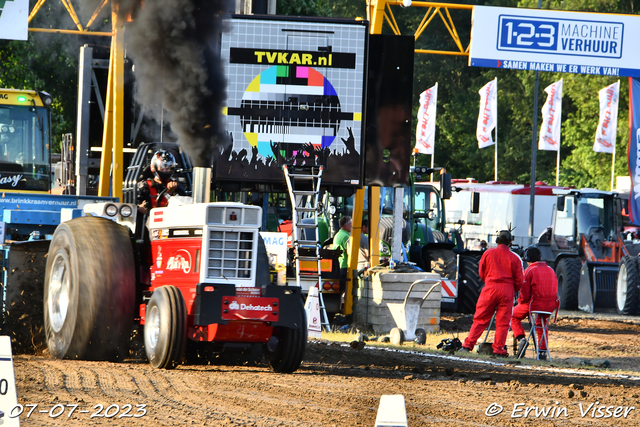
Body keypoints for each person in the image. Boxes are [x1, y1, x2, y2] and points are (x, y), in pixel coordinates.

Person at [459, 230, 524, 357]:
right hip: (507, 291)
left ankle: (467, 346)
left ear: (497, 240)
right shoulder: (515, 258)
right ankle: (498, 349)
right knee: (503, 322)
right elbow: (519, 280)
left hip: (489, 288)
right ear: (510, 242)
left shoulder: (488, 253)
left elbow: (481, 272)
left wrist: (489, 282)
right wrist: (511, 289)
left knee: (480, 319)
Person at [511, 246, 559, 360]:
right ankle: (542, 351)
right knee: (541, 323)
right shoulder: (551, 269)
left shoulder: (529, 271)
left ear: (527, 259)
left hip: (534, 305)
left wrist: (518, 302)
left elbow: (524, 296)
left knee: (511, 315)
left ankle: (521, 338)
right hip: (551, 306)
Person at [137, 150, 186, 214]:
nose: (165, 170)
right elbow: (131, 206)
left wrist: (179, 189)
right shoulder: (144, 186)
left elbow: (186, 202)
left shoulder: (176, 186)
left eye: (168, 168)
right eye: (162, 167)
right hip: (148, 221)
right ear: (154, 167)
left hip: (171, 220)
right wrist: (139, 207)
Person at [333, 216, 352, 292]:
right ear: (346, 225)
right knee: (344, 290)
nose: (352, 225)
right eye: (350, 223)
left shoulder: (337, 235)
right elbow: (349, 252)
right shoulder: (346, 236)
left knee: (340, 290)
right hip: (344, 266)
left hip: (339, 265)